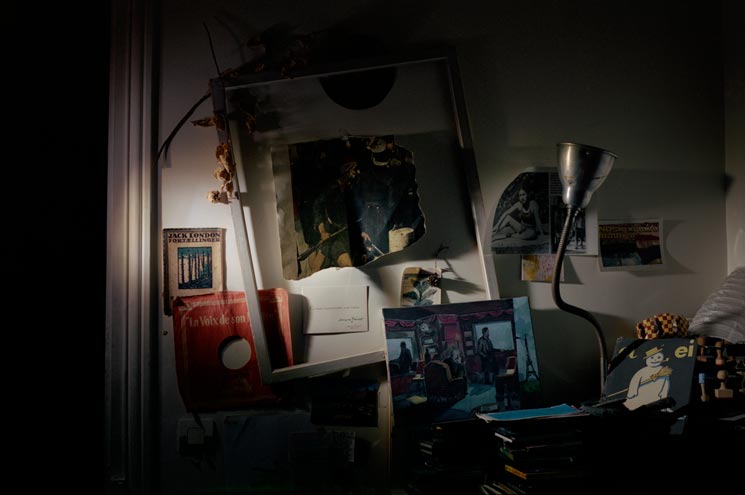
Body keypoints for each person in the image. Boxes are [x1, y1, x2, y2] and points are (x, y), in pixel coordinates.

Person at [623, 346, 673, 411]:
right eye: (652, 358)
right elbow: (634, 382)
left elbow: (665, 387)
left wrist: (664, 397)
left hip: (655, 399)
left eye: (658, 357)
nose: (655, 360)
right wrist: (631, 394)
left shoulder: (663, 371)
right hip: (640, 398)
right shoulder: (642, 371)